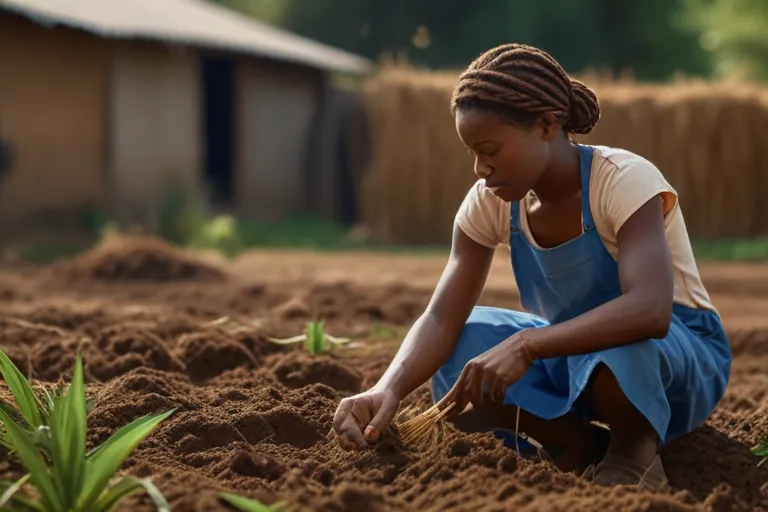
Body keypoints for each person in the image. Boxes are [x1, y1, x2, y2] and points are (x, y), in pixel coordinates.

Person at [331, 43, 731, 489]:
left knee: (624, 339)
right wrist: (386, 387)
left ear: (546, 125)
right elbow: (441, 316)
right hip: (571, 352)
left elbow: (650, 311)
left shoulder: (622, 180)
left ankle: (633, 448)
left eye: (490, 149)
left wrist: (526, 346)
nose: (481, 168)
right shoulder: (490, 203)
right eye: (473, 153)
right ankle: (573, 443)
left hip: (675, 359)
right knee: (463, 345)